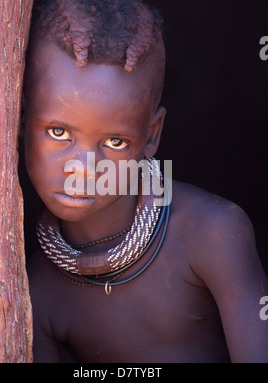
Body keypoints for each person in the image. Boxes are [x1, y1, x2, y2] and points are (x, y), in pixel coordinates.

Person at [21, 0, 268, 363]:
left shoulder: (212, 233)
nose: (84, 168)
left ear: (152, 135)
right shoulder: (34, 289)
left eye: (115, 142)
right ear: (22, 119)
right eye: (58, 132)